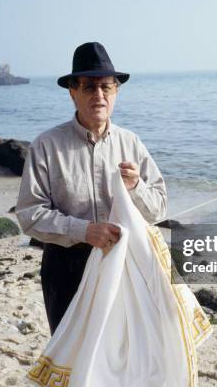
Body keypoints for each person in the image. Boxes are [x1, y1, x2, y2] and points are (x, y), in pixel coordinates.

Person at [16, 42, 167, 334]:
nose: (99, 95)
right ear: (72, 93)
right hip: (66, 268)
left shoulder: (131, 143)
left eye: (106, 87)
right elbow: (29, 214)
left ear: (116, 92)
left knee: (121, 360)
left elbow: (159, 208)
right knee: (71, 363)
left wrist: (136, 185)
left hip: (124, 266)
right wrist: (84, 230)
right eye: (88, 87)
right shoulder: (46, 146)